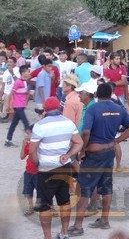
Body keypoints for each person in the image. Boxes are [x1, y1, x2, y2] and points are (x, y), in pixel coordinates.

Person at [67, 83, 129, 236]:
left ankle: (78, 225)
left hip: (94, 154)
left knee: (84, 188)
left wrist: (82, 150)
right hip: (108, 152)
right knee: (106, 187)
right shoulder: (118, 108)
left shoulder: (93, 109)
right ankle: (104, 220)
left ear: (96, 94)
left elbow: (86, 132)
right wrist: (117, 141)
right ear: (111, 94)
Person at [29, 97, 83, 239]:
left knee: (44, 205)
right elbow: (79, 143)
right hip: (64, 167)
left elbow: (32, 151)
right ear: (59, 108)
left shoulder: (40, 125)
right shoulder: (68, 123)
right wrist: (68, 155)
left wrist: (37, 164)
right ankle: (64, 233)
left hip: (46, 169)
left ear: (45, 109)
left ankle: (47, 237)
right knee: (64, 201)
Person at [5, 65, 30, 147]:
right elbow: (11, 93)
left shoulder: (24, 82)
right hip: (18, 106)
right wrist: (9, 105)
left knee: (14, 124)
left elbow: (24, 94)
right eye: (27, 71)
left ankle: (8, 140)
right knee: (26, 123)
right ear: (23, 73)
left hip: (21, 106)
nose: (28, 73)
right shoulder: (18, 82)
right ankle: (30, 140)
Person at [21, 125, 38, 215]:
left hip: (39, 172)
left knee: (43, 191)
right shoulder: (27, 144)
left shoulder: (39, 144)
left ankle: (49, 206)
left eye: (28, 133)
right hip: (28, 171)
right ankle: (31, 207)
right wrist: (23, 145)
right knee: (28, 191)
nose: (26, 135)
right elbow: (22, 156)